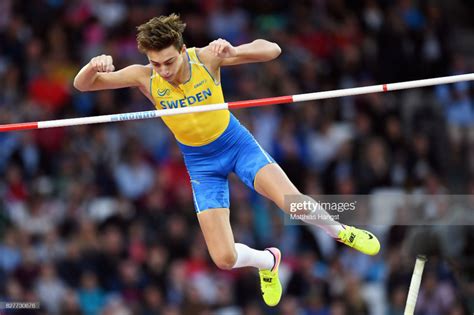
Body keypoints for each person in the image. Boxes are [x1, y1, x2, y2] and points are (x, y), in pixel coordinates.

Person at [73, 13, 380, 307]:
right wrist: (92, 65)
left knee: (292, 202)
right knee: (224, 258)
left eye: (169, 61)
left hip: (235, 145)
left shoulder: (206, 58)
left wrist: (234, 50)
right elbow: (83, 85)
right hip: (201, 164)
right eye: (156, 64)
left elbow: (272, 50)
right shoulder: (144, 76)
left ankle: (341, 232)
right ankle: (268, 261)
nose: (164, 71)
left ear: (182, 49)